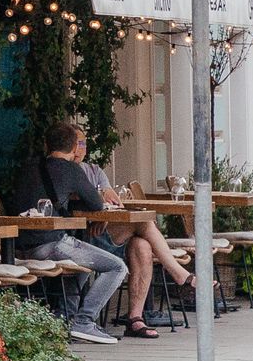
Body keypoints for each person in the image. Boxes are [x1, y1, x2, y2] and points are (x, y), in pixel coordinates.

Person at [10, 121, 128, 347]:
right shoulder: (72, 169)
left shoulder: (28, 167)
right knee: (116, 266)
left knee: (83, 256)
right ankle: (83, 321)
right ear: (75, 147)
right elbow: (96, 204)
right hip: (50, 244)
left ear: (46, 144)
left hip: (18, 246)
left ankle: (65, 317)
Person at [72, 128, 192, 337]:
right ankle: (179, 273)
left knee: (142, 245)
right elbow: (76, 201)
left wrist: (104, 213)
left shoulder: (94, 170)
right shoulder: (64, 170)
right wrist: (100, 208)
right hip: (82, 237)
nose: (79, 149)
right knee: (144, 224)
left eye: (82, 143)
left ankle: (135, 319)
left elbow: (111, 200)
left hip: (105, 233)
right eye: (75, 144)